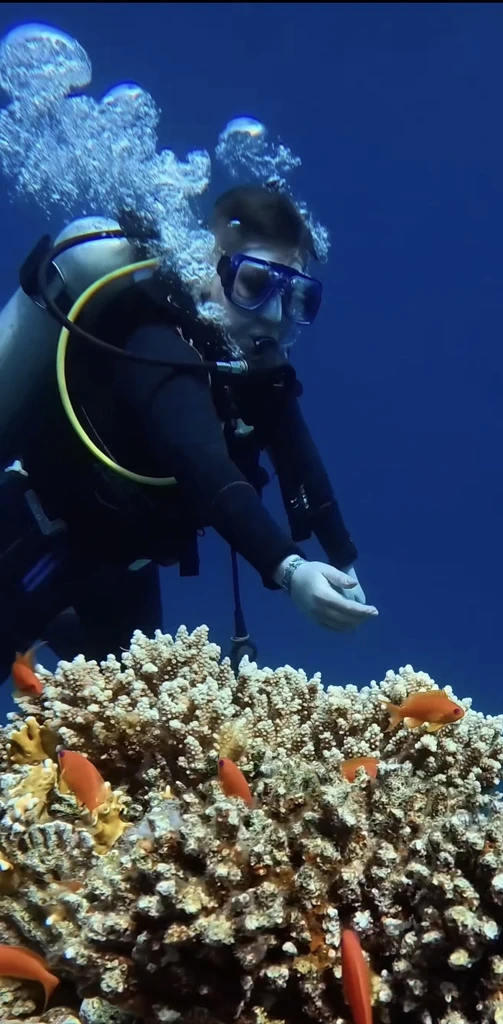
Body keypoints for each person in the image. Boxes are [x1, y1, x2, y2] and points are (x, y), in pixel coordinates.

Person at [0, 184, 377, 684]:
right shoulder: (157, 340)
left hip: (125, 565)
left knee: (133, 710)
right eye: (254, 284)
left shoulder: (252, 371)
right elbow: (202, 464)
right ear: (208, 269)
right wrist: (289, 569)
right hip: (37, 541)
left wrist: (342, 558)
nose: (273, 314)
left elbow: (298, 457)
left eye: (295, 297)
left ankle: (54, 630)